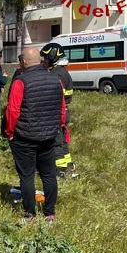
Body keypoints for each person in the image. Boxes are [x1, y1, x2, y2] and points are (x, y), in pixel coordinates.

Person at [4, 46, 66, 223]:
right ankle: (50, 214)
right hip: (49, 136)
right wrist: (58, 127)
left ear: (23, 62)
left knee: (27, 176)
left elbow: (13, 111)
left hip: (25, 137)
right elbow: (62, 109)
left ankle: (30, 214)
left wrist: (9, 132)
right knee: (48, 175)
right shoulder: (56, 79)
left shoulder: (20, 82)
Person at [40, 42, 77, 179]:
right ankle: (67, 166)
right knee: (62, 142)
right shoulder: (62, 72)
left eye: (46, 58)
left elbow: (56, 97)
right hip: (62, 112)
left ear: (52, 56)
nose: (44, 61)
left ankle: (60, 171)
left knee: (57, 143)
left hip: (56, 113)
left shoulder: (57, 75)